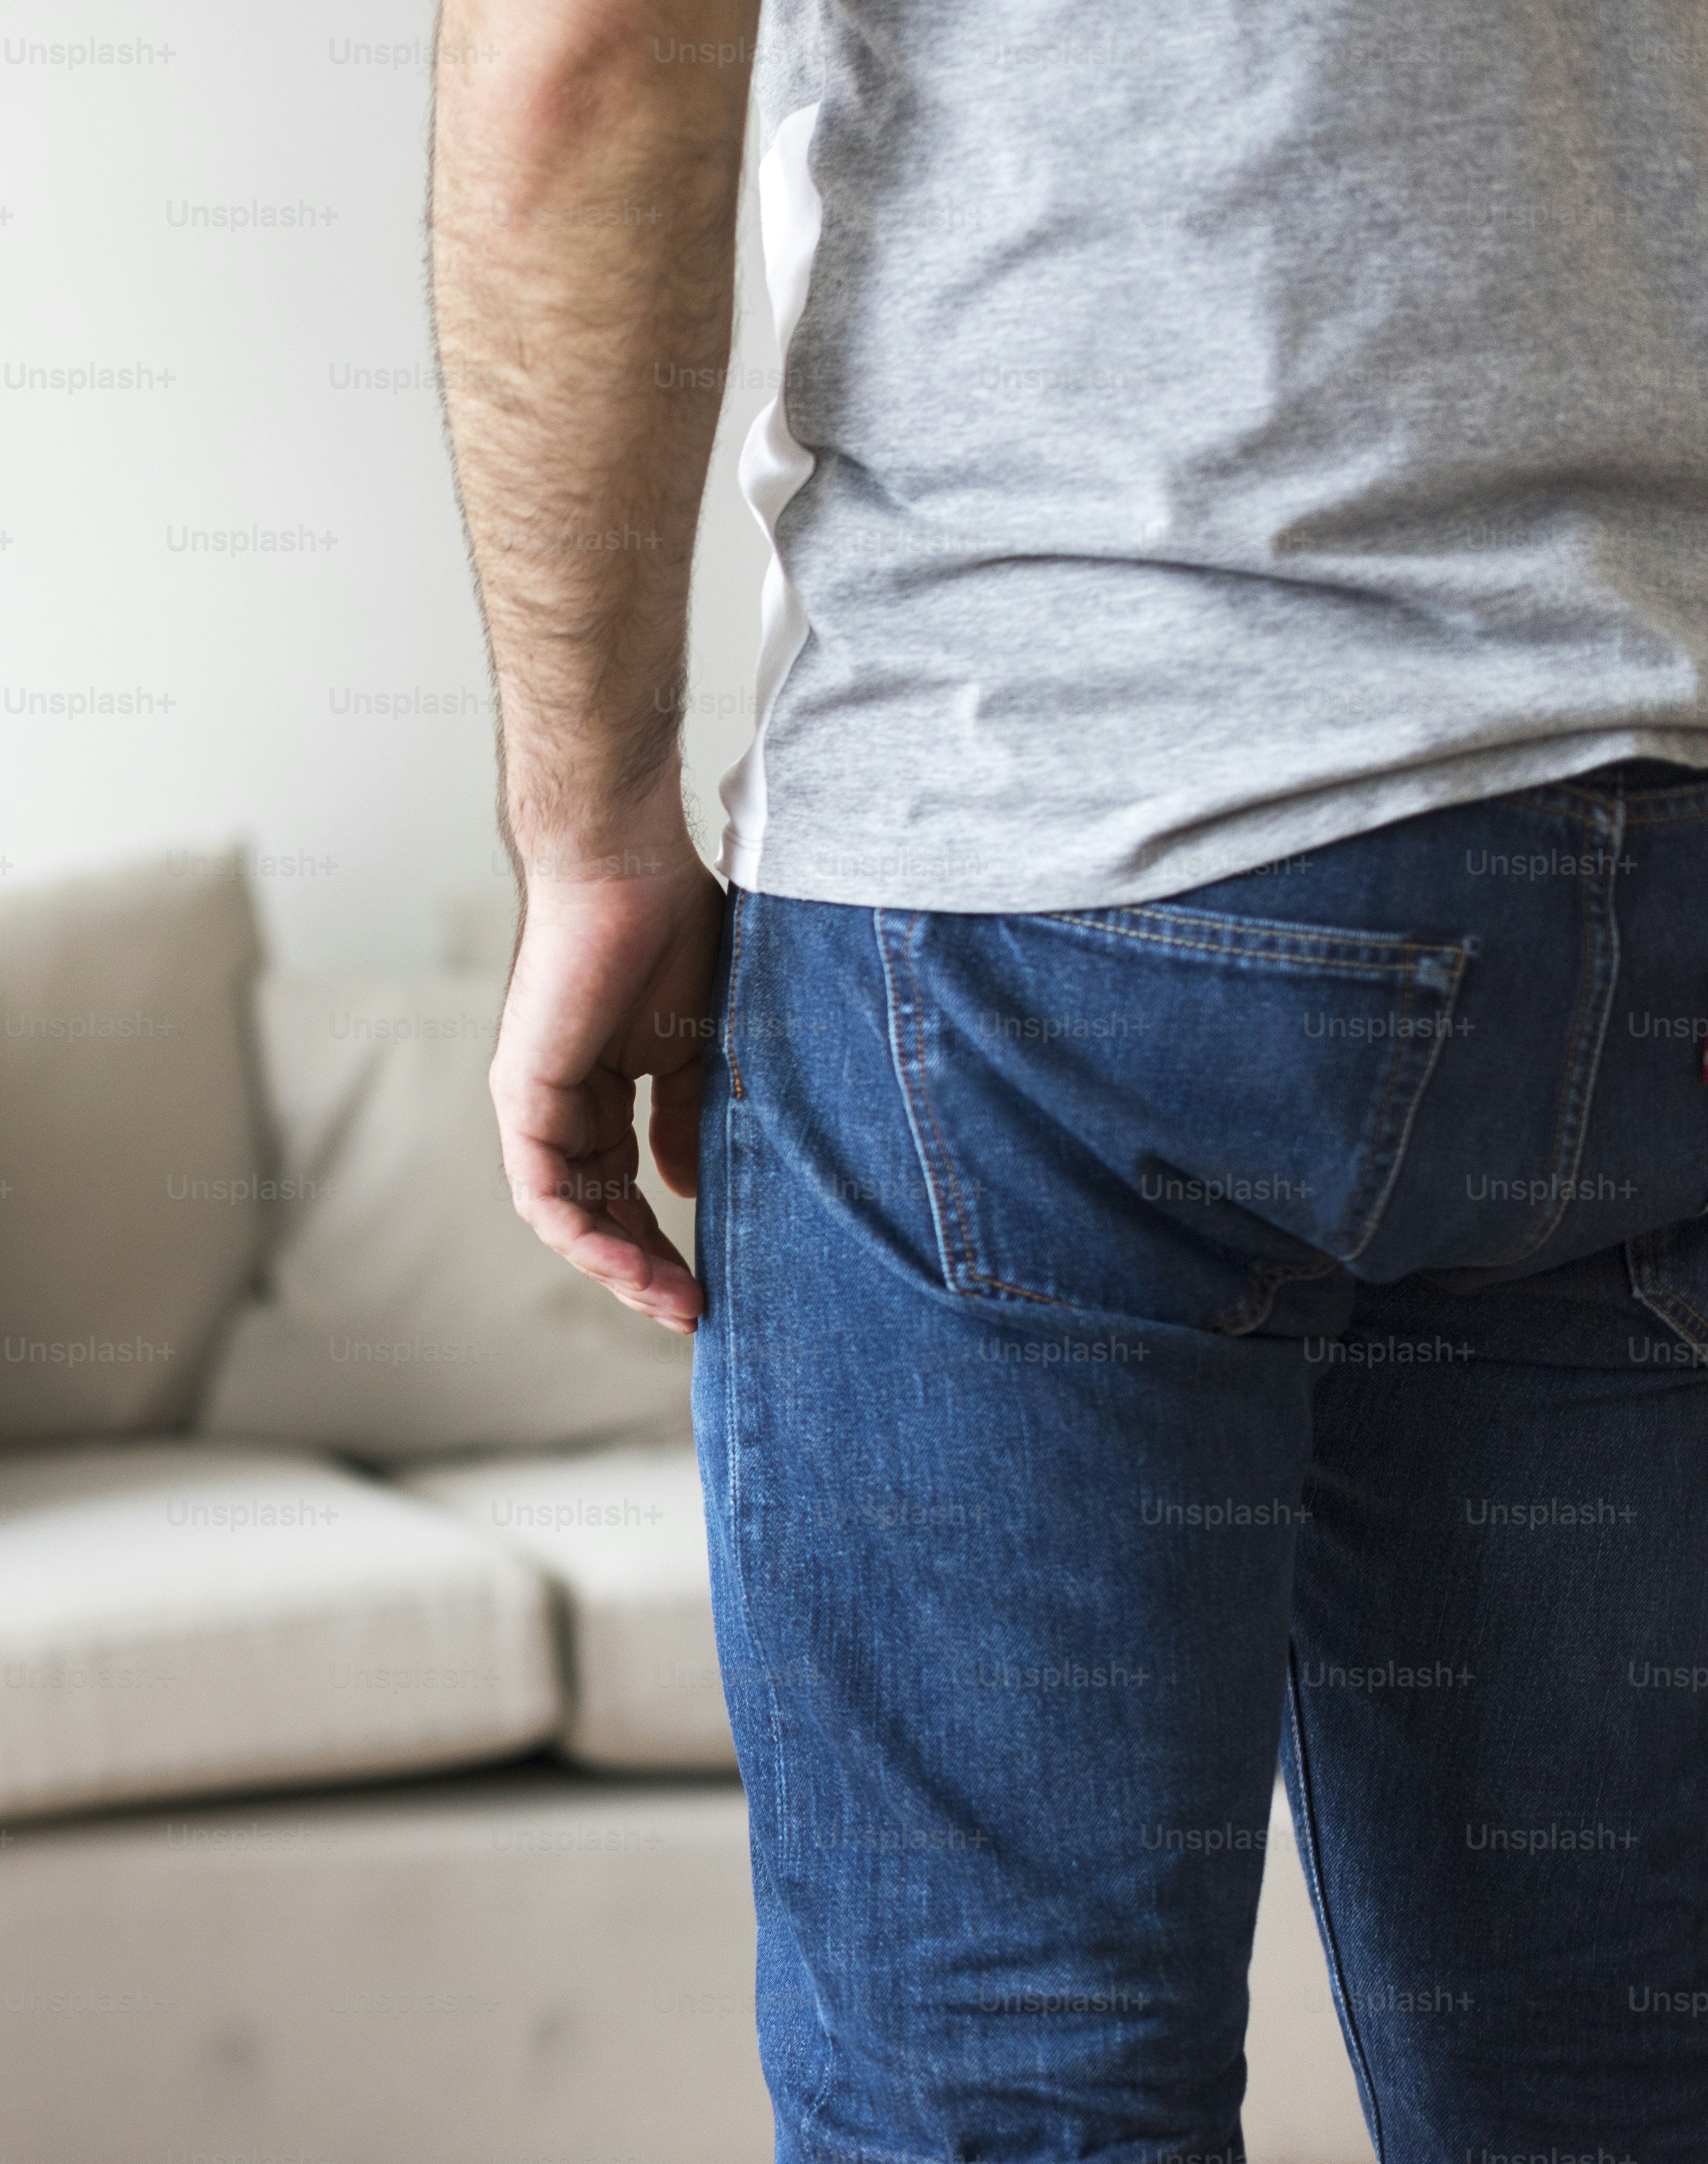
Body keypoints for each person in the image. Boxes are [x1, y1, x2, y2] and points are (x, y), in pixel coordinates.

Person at [435, 1, 1708, 2151]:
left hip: (1045, 865)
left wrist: (585, 832)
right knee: (1615, 2071)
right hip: (1652, 826)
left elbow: (583, 47)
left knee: (1001, 2081)